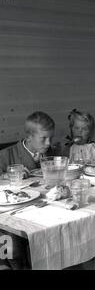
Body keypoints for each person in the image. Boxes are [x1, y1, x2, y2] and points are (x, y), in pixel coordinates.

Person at [0, 111, 56, 269]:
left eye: (51, 138)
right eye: (43, 138)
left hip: (42, 209)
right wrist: (6, 176)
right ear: (29, 137)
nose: (48, 143)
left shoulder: (51, 153)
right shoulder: (6, 156)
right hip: (14, 213)